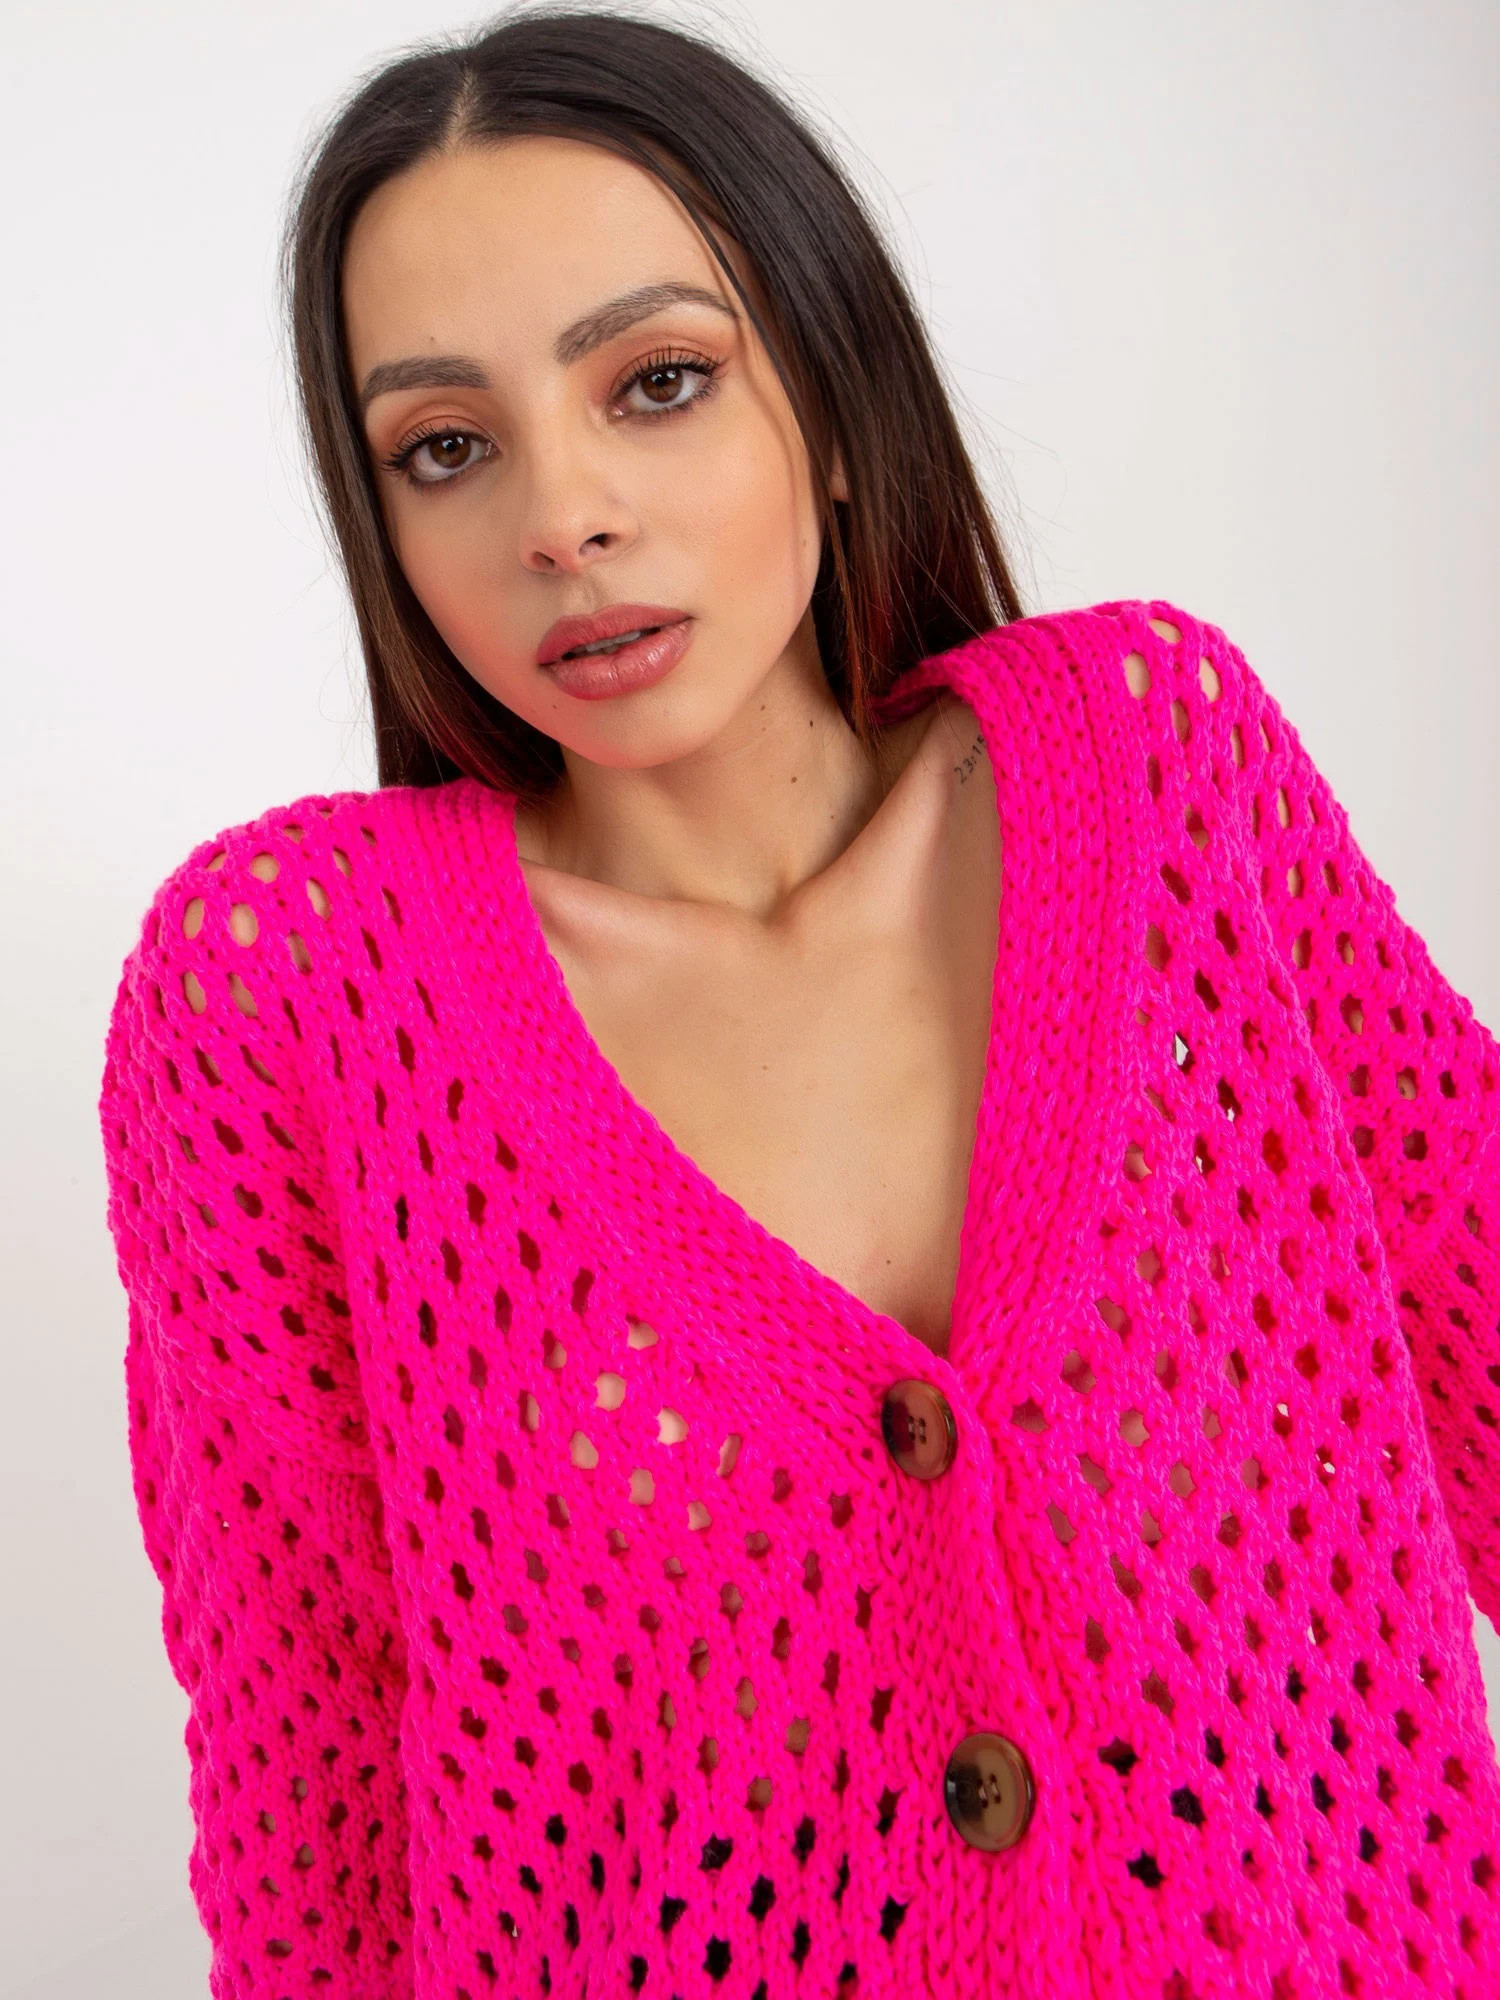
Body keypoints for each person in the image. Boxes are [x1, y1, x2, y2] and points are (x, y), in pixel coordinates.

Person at [97, 10, 1500, 1998]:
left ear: (830, 407)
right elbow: (306, 1775)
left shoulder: (1155, 769)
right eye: (448, 447)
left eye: (657, 382)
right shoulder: (287, 1000)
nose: (562, 514)